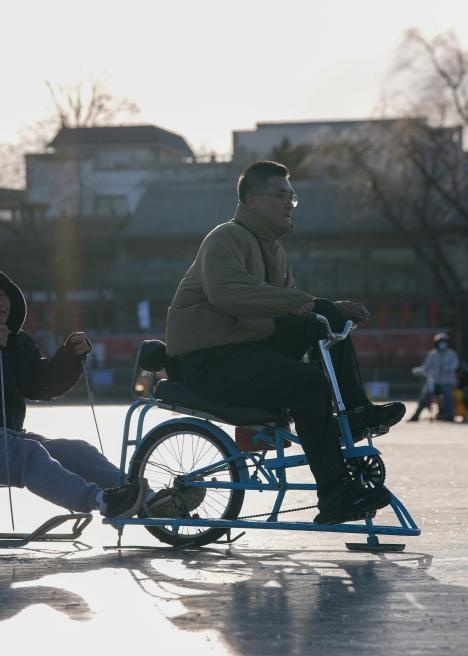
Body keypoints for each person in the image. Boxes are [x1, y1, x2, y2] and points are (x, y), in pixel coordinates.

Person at [164, 161, 406, 525]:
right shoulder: (226, 238)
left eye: (292, 196)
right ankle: (334, 493)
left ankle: (355, 411)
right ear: (251, 200)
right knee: (309, 384)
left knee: (325, 318)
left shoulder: (275, 251)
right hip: (208, 360)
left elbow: (293, 309)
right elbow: (227, 295)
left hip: (246, 350)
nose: (289, 203)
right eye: (280, 195)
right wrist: (291, 301)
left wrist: (334, 310)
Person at [0, 263, 148, 519]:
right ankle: (101, 501)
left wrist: (70, 358)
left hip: (10, 437)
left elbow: (42, 385)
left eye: (3, 295)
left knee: (77, 450)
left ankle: (143, 497)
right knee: (29, 454)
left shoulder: (16, 341)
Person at [408, 333, 459, 422]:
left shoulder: (451, 354)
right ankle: (415, 416)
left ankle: (450, 416)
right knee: (424, 397)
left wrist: (448, 368)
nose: (442, 344)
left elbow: (455, 365)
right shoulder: (432, 354)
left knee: (448, 397)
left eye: (444, 342)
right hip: (434, 382)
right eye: (440, 342)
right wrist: (419, 370)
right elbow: (426, 367)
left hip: (447, 382)